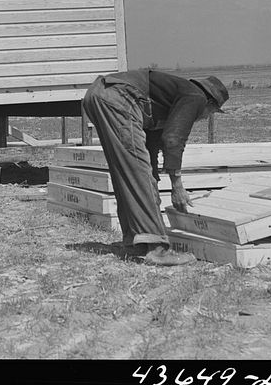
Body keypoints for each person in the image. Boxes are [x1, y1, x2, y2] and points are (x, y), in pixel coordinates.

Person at [82, 69, 230, 266]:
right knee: (138, 174)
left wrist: (153, 176)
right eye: (211, 113)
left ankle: (136, 243)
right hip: (118, 97)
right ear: (210, 103)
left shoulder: (169, 98)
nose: (204, 118)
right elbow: (173, 139)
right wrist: (177, 186)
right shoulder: (195, 97)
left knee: (127, 172)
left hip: (98, 94)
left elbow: (150, 141)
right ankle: (157, 249)